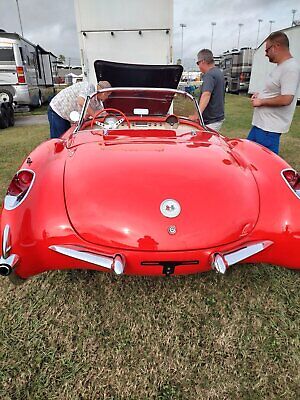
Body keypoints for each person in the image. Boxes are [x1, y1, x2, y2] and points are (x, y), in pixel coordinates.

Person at [247, 31, 300, 154]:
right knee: (248, 157)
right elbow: (275, 91)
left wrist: (261, 101)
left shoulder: (290, 68)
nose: (266, 54)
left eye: (267, 50)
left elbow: (287, 98)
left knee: (262, 164)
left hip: (268, 129)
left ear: (277, 46)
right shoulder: (281, 67)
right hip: (261, 126)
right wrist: (259, 95)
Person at [190, 48, 225, 131]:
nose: (198, 66)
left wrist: (196, 115)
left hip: (211, 121)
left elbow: (206, 94)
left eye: (198, 63)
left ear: (203, 61)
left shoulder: (209, 75)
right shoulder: (218, 72)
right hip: (217, 118)